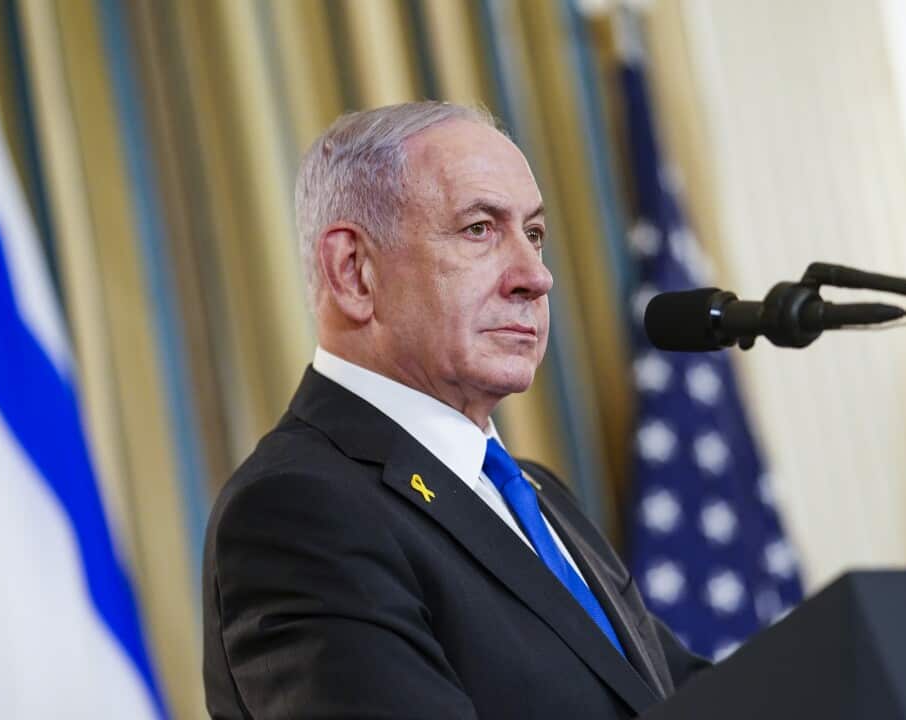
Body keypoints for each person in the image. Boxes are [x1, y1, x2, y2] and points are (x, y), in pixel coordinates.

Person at [202, 101, 708, 719]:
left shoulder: (535, 491)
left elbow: (682, 698)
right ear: (354, 272)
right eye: (479, 229)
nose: (534, 276)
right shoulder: (298, 511)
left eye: (534, 234)